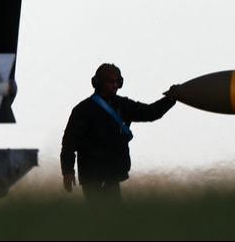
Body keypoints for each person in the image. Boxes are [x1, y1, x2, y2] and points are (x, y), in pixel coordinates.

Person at [60, 63, 176, 201]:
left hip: (112, 176)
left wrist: (171, 99)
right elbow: (69, 143)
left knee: (113, 218)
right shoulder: (83, 110)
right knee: (101, 217)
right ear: (97, 83)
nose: (115, 85)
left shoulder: (123, 105)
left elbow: (150, 113)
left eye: (118, 81)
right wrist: (68, 171)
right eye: (110, 81)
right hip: (93, 177)